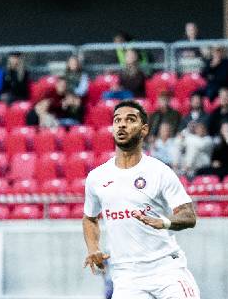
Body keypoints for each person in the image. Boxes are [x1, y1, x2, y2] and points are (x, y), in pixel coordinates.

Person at [82, 100, 201, 299]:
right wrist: (93, 247)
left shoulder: (159, 171)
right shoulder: (97, 177)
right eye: (117, 120)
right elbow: (90, 218)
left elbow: (189, 215)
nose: (122, 124)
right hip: (127, 277)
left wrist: (164, 222)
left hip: (167, 270)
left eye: (130, 120)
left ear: (144, 129)